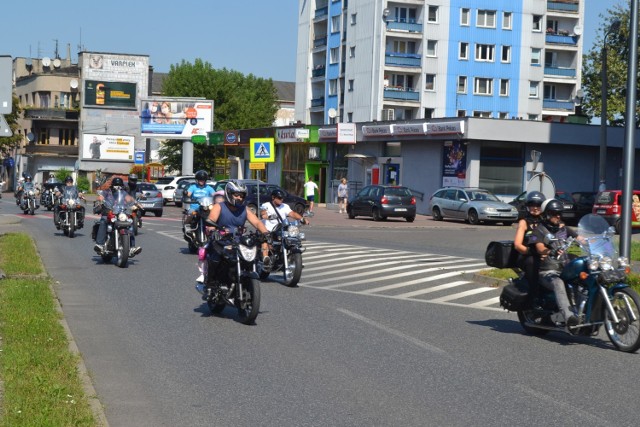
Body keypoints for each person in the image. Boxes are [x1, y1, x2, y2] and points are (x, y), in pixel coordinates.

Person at [196, 181, 270, 283]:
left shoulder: (245, 209)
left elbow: (257, 222)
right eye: (236, 195)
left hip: (238, 241)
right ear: (229, 194)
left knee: (251, 257)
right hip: (221, 239)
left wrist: (266, 233)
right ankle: (211, 284)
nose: (239, 198)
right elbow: (211, 221)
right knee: (215, 259)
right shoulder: (219, 206)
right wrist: (214, 231)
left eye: (241, 196)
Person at [531, 199, 580, 331]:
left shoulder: (563, 229)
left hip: (565, 268)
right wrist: (549, 250)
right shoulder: (539, 230)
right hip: (547, 271)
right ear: (546, 214)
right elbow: (539, 247)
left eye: (559, 213)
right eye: (554, 213)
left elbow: (580, 239)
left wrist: (597, 241)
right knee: (558, 282)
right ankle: (569, 316)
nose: (558, 216)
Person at [93, 177, 142, 258]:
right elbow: (100, 197)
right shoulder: (107, 192)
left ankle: (132, 247)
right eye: (116, 185)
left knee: (130, 224)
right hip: (109, 212)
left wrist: (136, 203)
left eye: (119, 185)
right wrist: (100, 200)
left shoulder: (123, 193)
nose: (117, 187)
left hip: (120, 213)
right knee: (103, 221)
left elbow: (129, 199)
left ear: (122, 186)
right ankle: (100, 245)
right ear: (113, 185)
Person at [512, 191, 545, 299]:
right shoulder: (524, 222)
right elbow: (517, 245)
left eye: (538, 205)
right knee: (532, 262)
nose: (535, 208)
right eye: (532, 205)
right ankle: (534, 297)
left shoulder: (546, 221)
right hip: (527, 255)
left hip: (545, 253)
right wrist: (532, 252)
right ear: (528, 206)